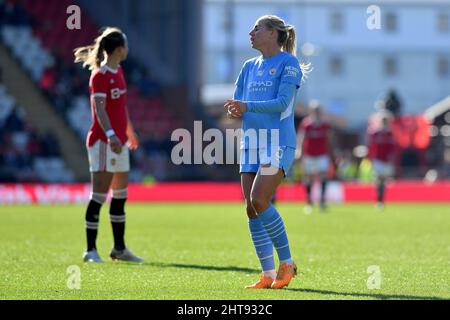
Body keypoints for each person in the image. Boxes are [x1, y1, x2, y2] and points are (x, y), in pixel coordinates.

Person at [224, 15, 309, 289]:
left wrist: (246, 106)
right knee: (251, 209)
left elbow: (283, 102)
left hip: (277, 141)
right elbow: (240, 102)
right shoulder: (248, 67)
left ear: (273, 33)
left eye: (257, 28)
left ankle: (287, 263)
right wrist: (236, 108)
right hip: (250, 142)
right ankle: (267, 273)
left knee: (260, 199)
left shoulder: (289, 63)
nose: (251, 32)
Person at [74, 27, 143, 263]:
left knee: (121, 195)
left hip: (119, 141)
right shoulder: (100, 76)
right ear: (119, 48)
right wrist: (112, 134)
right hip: (103, 142)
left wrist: (129, 131)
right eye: (125, 44)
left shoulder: (119, 71)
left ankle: (119, 249)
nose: (127, 48)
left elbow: (120, 106)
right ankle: (90, 250)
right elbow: (99, 109)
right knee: (99, 195)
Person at [297, 101, 333, 213]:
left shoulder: (325, 124)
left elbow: (330, 139)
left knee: (323, 176)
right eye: (315, 110)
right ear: (311, 111)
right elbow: (301, 138)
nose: (317, 112)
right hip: (309, 154)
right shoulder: (306, 124)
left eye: (318, 110)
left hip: (322, 154)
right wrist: (299, 152)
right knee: (309, 177)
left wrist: (331, 153)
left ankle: (322, 200)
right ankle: (309, 201)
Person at [367, 112, 396, 210]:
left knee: (383, 181)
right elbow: (371, 147)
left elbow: (393, 149)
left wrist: (392, 159)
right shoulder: (375, 133)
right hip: (378, 160)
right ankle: (379, 200)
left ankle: (381, 200)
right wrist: (370, 158)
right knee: (378, 179)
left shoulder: (390, 133)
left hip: (386, 161)